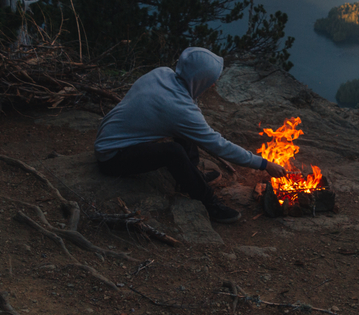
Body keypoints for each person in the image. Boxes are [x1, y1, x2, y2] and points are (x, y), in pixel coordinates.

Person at [95, 47, 286, 224]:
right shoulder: (179, 109)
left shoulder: (161, 74)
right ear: (199, 79)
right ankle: (210, 204)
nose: (213, 84)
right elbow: (219, 146)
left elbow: (186, 115)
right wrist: (264, 164)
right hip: (112, 158)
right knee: (173, 151)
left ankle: (192, 176)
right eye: (211, 80)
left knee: (185, 131)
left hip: (109, 138)